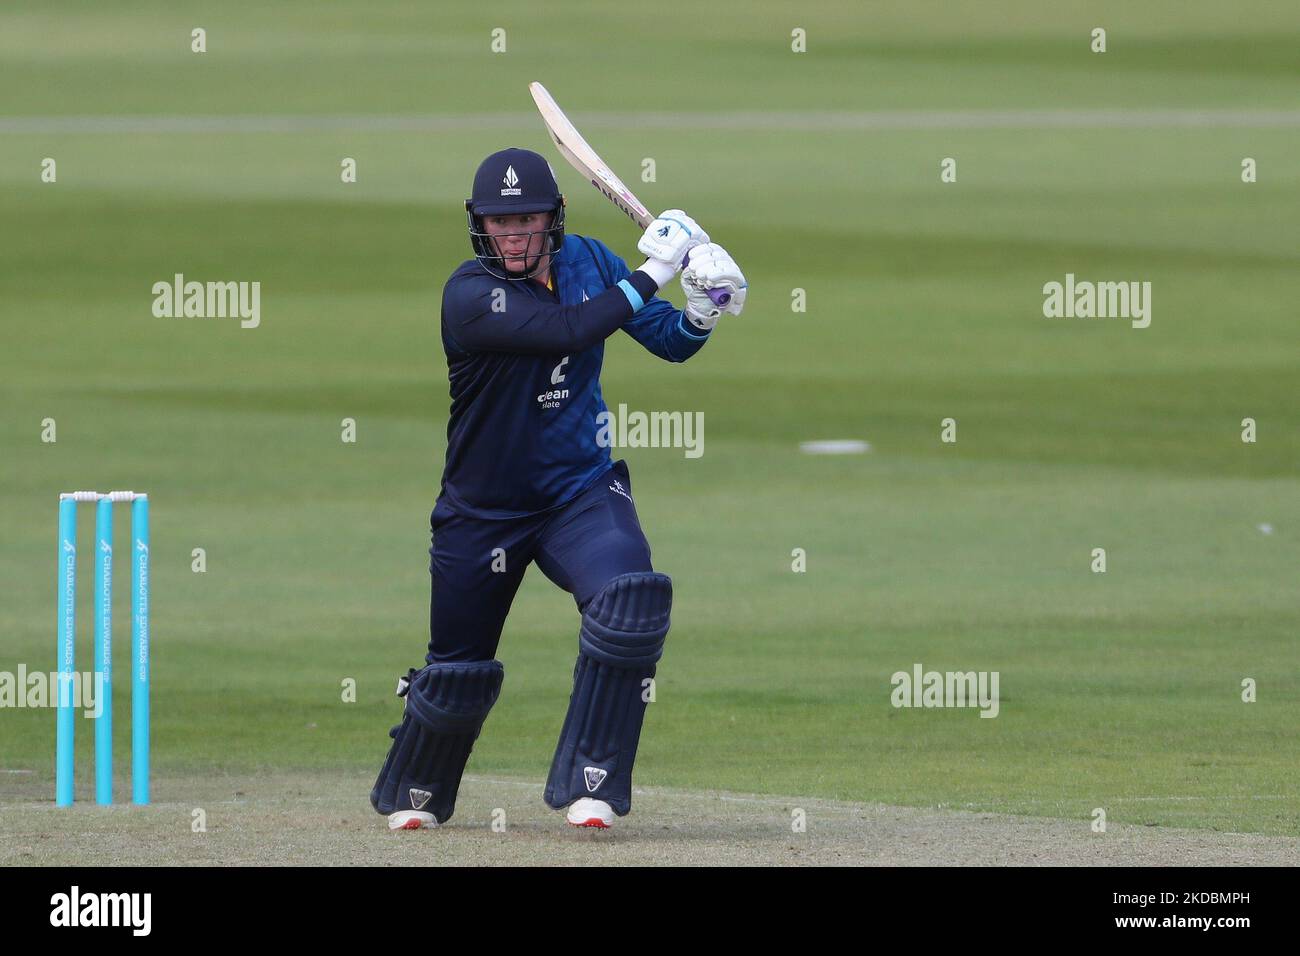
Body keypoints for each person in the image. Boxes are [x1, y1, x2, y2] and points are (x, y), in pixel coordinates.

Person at [370, 147, 746, 830]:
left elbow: (664, 340)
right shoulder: (469, 296)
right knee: (457, 670)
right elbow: (567, 331)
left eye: (527, 220)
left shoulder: (592, 264)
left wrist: (702, 308)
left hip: (578, 492)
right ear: (478, 224)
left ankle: (592, 782)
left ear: (554, 219)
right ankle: (416, 789)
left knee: (631, 601)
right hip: (482, 513)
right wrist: (658, 267)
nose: (513, 234)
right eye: (498, 221)